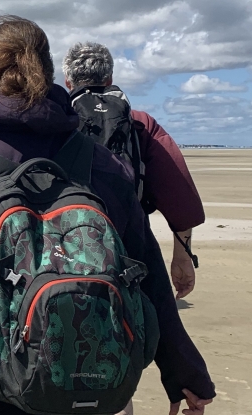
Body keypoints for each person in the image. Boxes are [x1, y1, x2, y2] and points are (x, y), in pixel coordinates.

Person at [0, 15, 215, 415]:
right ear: (50, 72)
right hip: (88, 372)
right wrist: (183, 371)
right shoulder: (101, 164)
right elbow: (147, 276)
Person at [62, 42, 202, 301]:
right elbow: (179, 195)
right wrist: (182, 255)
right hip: (132, 243)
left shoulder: (57, 120)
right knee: (159, 331)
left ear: (67, 81)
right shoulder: (141, 123)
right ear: (110, 78)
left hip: (67, 245)